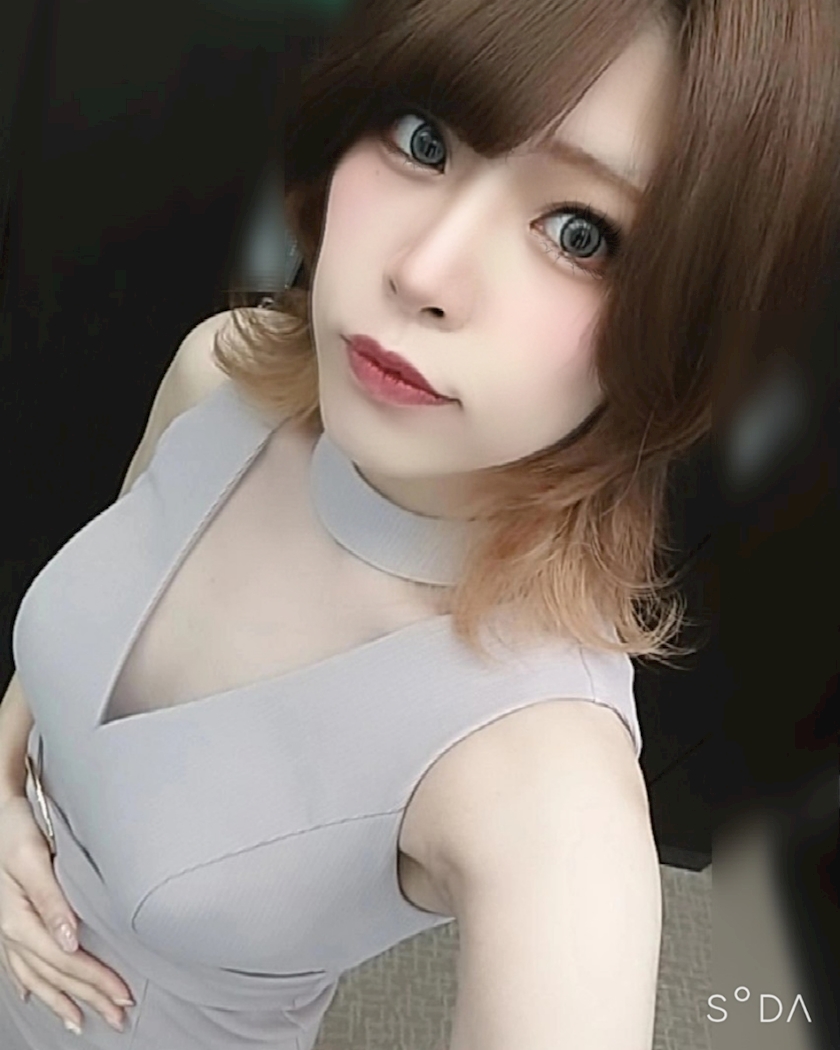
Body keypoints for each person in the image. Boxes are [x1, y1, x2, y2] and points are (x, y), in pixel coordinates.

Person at [0, 0, 837, 1047]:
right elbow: (78, 655)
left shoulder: (540, 781)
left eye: (580, 233)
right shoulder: (216, 375)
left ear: (689, 319)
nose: (423, 272)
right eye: (424, 139)